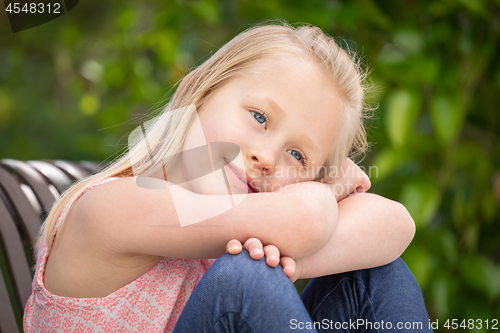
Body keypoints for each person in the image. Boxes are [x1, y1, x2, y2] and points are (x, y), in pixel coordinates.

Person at [23, 20, 432, 332]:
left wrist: (289, 261)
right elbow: (306, 219)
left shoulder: (238, 231)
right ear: (197, 92)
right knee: (245, 276)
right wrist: (331, 187)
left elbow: (396, 223)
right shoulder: (111, 209)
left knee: (375, 270)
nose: (267, 156)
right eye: (259, 116)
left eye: (296, 154)